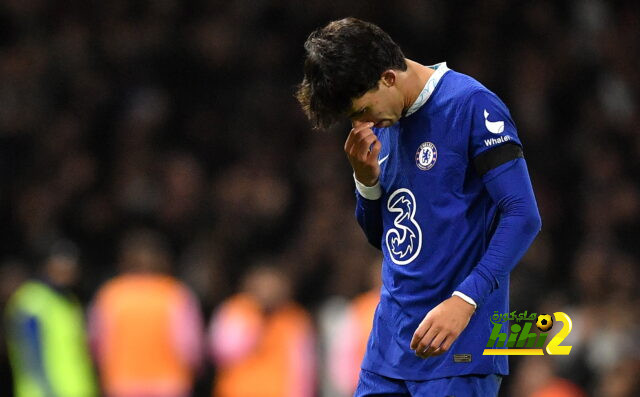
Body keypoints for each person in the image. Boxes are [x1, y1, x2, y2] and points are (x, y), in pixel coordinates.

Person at [296, 17, 542, 396]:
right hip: (388, 350)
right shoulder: (382, 124)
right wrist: (366, 182)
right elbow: (386, 239)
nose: (361, 123)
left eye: (362, 109)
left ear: (388, 78)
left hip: (459, 349)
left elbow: (523, 215)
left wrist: (465, 299)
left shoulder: (470, 104)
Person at [89, 229, 204, 397]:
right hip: (169, 383)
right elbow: (189, 347)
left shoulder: (112, 294)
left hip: (122, 383)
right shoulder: (174, 293)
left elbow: (97, 343)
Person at [4, 241, 98, 397]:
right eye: (62, 261)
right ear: (46, 264)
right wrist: (47, 391)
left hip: (75, 390)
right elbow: (30, 355)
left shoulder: (67, 300)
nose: (69, 268)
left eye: (72, 262)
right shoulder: (31, 300)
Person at [208, 264, 314, 397]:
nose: (268, 292)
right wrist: (254, 324)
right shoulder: (237, 310)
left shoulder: (294, 317)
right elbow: (222, 352)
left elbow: (303, 366)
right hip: (237, 390)